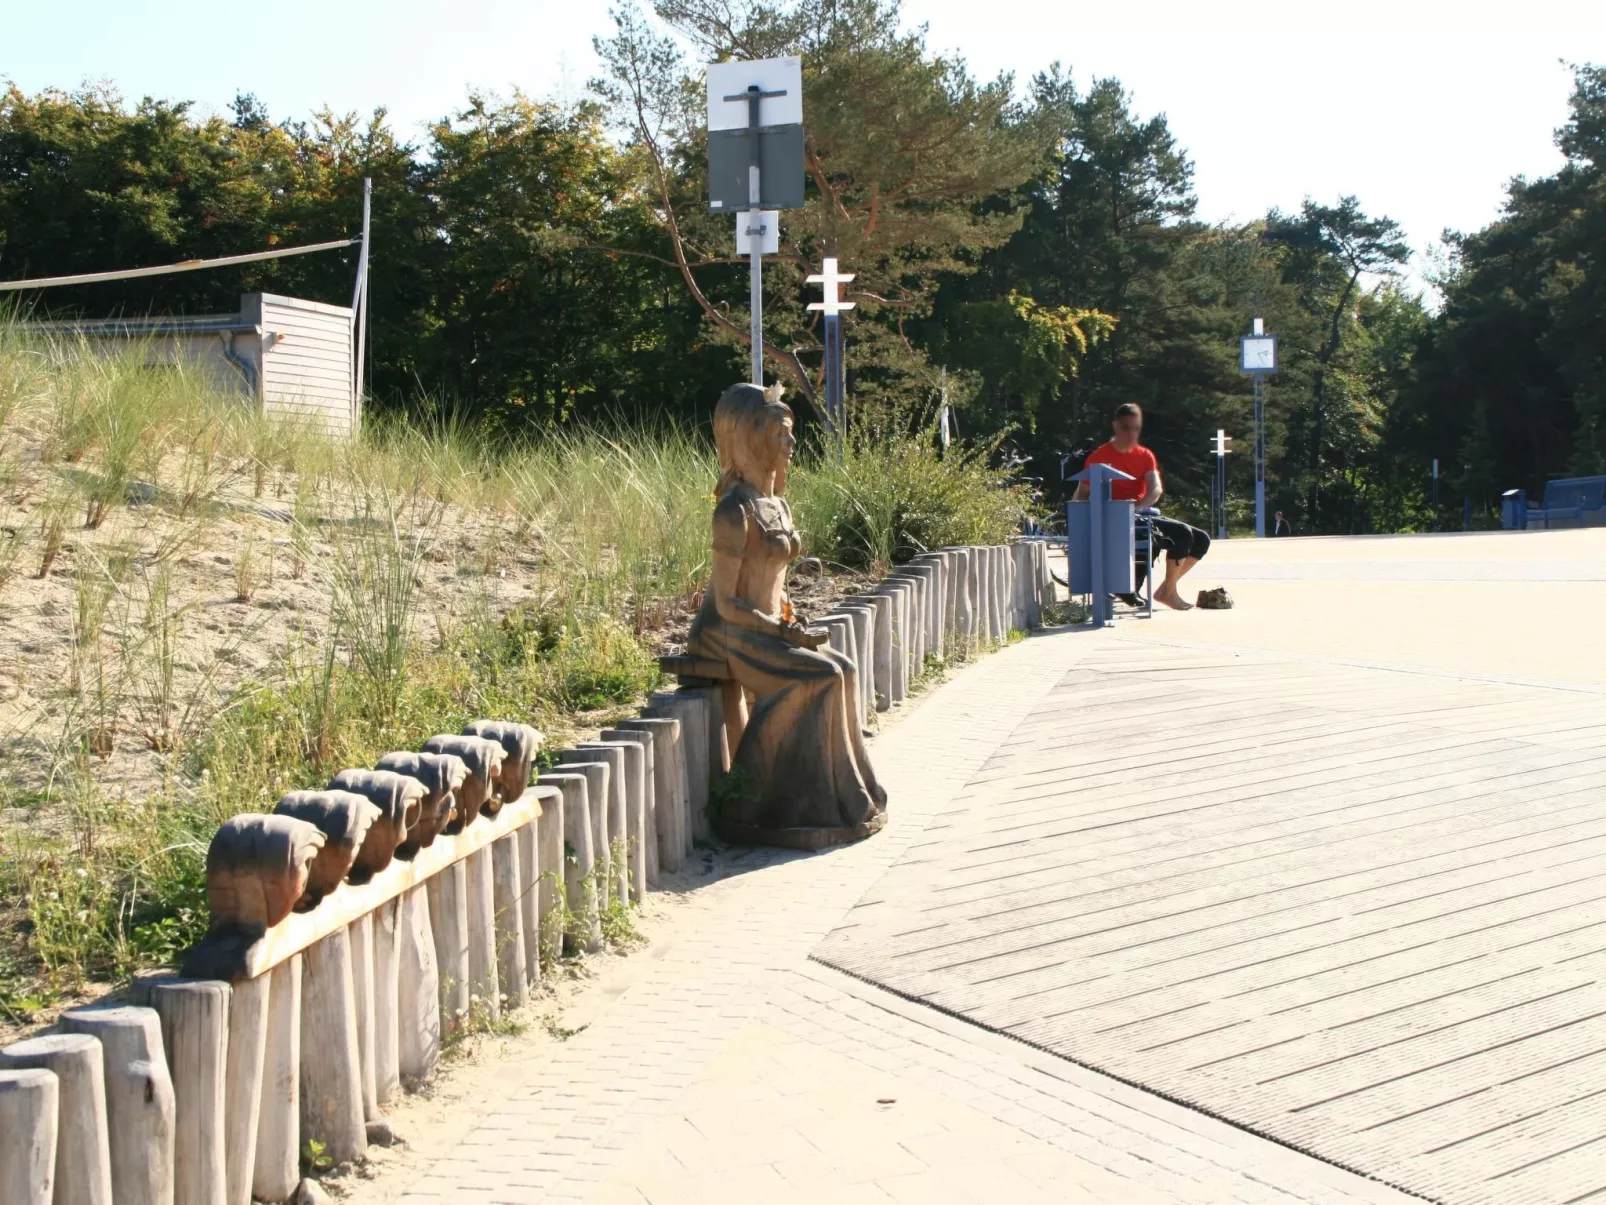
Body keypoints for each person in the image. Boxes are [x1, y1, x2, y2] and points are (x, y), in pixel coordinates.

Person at [685, 383, 886, 842]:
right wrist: (779, 629)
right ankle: (756, 798)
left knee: (844, 669)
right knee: (816, 678)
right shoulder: (733, 512)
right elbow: (727, 602)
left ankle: (844, 796)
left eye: (790, 431)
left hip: (769, 627)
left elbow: (774, 580)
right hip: (730, 633)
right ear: (751, 439)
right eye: (780, 433)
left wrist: (790, 617)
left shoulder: (777, 503)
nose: (791, 442)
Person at [1074, 403, 1211, 611]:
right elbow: (1081, 495)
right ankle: (1165, 592)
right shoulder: (1099, 457)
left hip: (1139, 513)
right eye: (1125, 427)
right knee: (1182, 533)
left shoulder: (1144, 455)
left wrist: (1138, 507)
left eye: (1135, 428)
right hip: (1112, 518)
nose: (1130, 433)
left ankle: (1166, 590)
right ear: (1115, 426)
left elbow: (1155, 488)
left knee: (1201, 539)